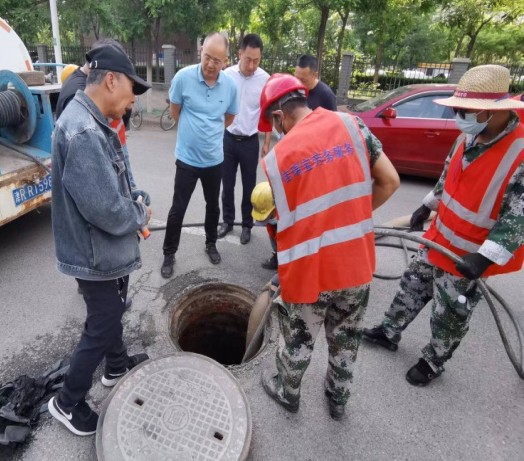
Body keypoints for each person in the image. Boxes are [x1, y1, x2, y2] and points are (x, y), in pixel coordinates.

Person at [363, 65, 524, 387]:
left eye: (464, 111)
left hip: (470, 253)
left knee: (451, 311)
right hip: (439, 239)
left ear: (491, 113)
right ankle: (389, 330)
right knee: (413, 284)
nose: (458, 116)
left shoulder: (519, 151)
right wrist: (427, 206)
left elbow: (518, 215)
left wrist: (486, 258)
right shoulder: (470, 136)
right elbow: (448, 177)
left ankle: (434, 360)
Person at [258, 74, 400, 420]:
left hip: (311, 272)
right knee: (346, 336)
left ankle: (288, 393)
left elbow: (279, 227)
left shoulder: (278, 160)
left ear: (279, 117)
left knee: (298, 340)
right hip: (355, 263)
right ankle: (337, 401)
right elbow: (391, 181)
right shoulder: (351, 125)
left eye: (274, 124)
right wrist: (351, 219)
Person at [48, 42, 152, 436]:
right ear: (111, 80)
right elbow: (106, 209)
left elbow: (115, 179)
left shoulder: (92, 118)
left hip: (99, 248)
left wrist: (135, 194)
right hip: (94, 252)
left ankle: (116, 365)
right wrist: (138, 214)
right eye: (130, 92)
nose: (130, 103)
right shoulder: (82, 131)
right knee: (104, 317)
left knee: (113, 306)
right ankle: (67, 401)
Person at [160, 32, 239, 278]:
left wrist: (208, 135)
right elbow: (175, 112)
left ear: (225, 61)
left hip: (214, 160)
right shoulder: (183, 78)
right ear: (201, 51)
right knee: (178, 209)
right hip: (187, 160)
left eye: (217, 60)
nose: (211, 64)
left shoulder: (230, 86)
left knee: (212, 206)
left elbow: (229, 117)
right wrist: (192, 135)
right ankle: (169, 253)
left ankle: (211, 244)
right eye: (207, 57)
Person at [56, 39, 137, 189]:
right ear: (110, 79)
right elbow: (104, 204)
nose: (132, 99)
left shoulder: (87, 91)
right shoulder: (83, 127)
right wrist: (138, 211)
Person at [218, 34, 270, 245]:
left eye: (256, 60)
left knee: (250, 187)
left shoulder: (265, 79)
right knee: (227, 184)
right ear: (240, 54)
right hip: (228, 139)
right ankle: (228, 221)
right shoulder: (226, 75)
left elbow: (267, 113)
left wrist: (266, 142)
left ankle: (247, 225)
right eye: (248, 59)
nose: (251, 65)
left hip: (250, 141)